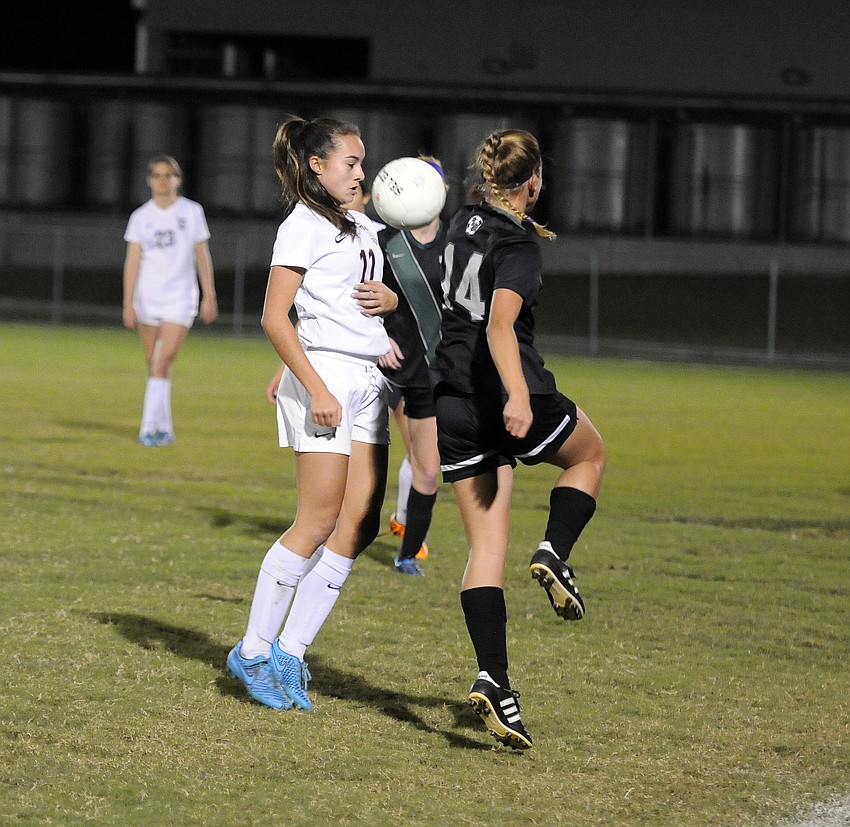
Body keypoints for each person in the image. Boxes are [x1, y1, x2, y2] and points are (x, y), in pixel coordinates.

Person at [431, 129, 607, 749]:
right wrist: (519, 395)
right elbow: (501, 325)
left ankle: (494, 682)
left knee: (487, 549)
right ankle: (556, 550)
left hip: (449, 401)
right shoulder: (518, 242)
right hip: (504, 396)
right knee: (589, 455)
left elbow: (443, 296)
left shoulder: (461, 223)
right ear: (533, 183)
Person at [229, 116, 398, 711]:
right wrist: (312, 382)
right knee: (318, 520)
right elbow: (275, 315)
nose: (359, 171)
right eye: (349, 162)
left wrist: (391, 309)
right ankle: (251, 651)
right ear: (316, 167)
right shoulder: (302, 225)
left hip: (366, 379)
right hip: (325, 380)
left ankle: (290, 652)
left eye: (361, 160)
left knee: (357, 525)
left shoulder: (360, 225)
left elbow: (362, 297)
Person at [377, 156, 448, 576]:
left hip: (429, 373)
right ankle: (335, 540)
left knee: (427, 468)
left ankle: (408, 552)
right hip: (379, 367)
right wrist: (378, 337)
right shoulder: (381, 240)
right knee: (355, 461)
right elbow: (344, 298)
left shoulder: (458, 241)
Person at [123, 155, 217, 446]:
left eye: (169, 175)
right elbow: (132, 261)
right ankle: (165, 428)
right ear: (149, 180)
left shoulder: (191, 212)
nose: (163, 180)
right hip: (148, 298)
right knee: (155, 365)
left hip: (180, 298)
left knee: (163, 361)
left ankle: (146, 429)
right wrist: (128, 302)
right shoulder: (140, 217)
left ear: (178, 179)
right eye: (158, 175)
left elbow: (202, 254)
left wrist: (208, 295)